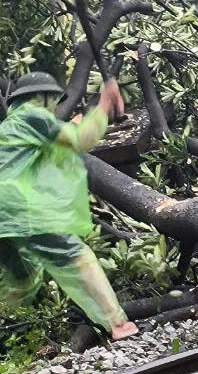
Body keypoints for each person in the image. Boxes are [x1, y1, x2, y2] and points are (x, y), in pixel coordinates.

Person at [0, 72, 137, 341]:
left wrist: (75, 123)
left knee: (22, 277)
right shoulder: (33, 115)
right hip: (16, 211)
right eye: (52, 101)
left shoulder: (8, 127)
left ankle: (9, 341)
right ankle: (118, 324)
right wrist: (104, 106)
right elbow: (80, 142)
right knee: (78, 257)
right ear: (43, 97)